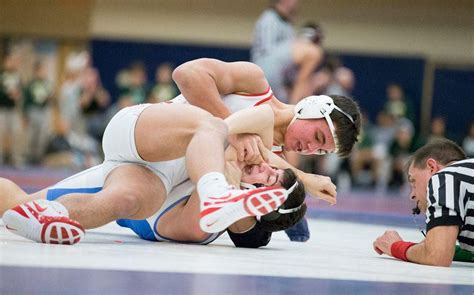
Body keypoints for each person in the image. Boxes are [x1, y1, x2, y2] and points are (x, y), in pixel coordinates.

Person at [2, 103, 297, 246]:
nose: (266, 166)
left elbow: (247, 226)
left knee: (19, 206)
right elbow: (264, 115)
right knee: (212, 127)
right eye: (274, 167)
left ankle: (48, 212)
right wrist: (305, 180)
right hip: (144, 135)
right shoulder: (245, 150)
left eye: (269, 178)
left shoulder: (200, 228)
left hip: (133, 176)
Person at [172, 58, 361, 241]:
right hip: (152, 139)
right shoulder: (253, 85)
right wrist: (235, 133)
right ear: (311, 107)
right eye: (318, 137)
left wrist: (293, 199)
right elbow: (186, 74)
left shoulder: (269, 169)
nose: (310, 149)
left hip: (162, 195)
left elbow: (246, 235)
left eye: (320, 151)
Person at [373, 139, 474, 266]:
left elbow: (438, 256)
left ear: (432, 168)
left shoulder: (445, 177)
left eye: (413, 181)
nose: (412, 195)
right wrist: (431, 245)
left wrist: (396, 246)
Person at [250, 0, 324, 103]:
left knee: (315, 78)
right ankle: (294, 107)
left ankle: (296, 106)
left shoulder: (286, 23)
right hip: (264, 70)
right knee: (313, 52)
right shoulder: (269, 18)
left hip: (280, 78)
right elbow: (266, 53)